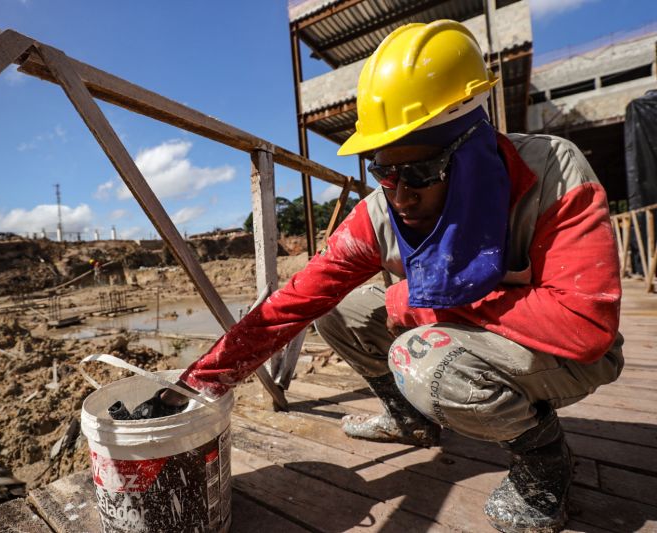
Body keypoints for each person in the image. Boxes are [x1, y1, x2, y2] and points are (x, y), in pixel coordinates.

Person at [134, 20, 624, 533]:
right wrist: (197, 384)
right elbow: (291, 304)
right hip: (475, 331)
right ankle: (409, 419)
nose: (399, 195)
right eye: (384, 173)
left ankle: (544, 463)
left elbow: (586, 326)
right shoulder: (380, 214)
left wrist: (425, 300)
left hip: (566, 353)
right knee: (337, 310)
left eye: (419, 174)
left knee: (422, 361)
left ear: (474, 150)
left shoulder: (553, 174)